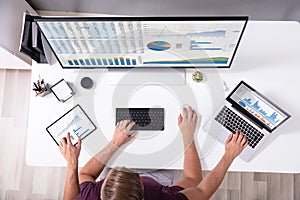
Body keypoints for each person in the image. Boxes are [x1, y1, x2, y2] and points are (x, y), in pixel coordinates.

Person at [59, 106, 248, 200]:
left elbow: (85, 174)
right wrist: (189, 137)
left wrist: (73, 164)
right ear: (142, 187)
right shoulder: (162, 197)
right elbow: (197, 184)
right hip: (159, 181)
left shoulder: (91, 194)